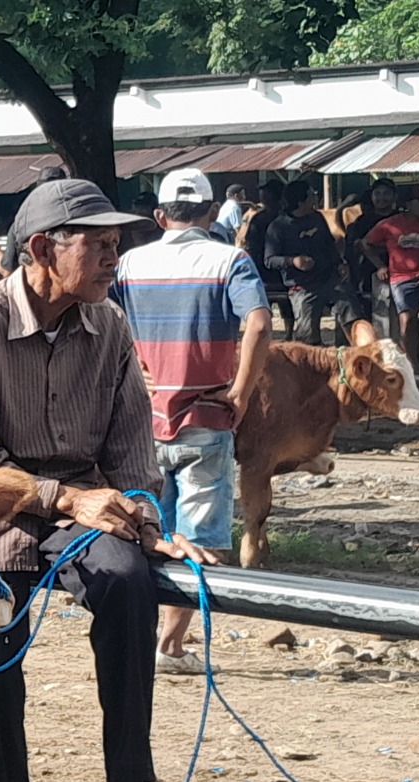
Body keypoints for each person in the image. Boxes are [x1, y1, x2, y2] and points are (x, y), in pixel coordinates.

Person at [0, 179, 214, 782]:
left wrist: (149, 524)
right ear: (42, 249)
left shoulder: (109, 325)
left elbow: (130, 448)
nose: (114, 258)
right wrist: (65, 496)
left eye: (117, 244)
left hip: (83, 510)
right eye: (99, 245)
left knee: (129, 579)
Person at [110, 168, 271, 672]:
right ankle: (171, 645)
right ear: (211, 213)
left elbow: (102, 318)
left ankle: (136, 637)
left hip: (141, 421)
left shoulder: (129, 263)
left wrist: (129, 367)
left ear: (160, 216)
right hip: (206, 418)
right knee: (199, 541)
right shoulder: (230, 260)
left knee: (144, 532)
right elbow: (259, 323)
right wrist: (241, 391)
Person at [265, 179, 373, 346]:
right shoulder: (278, 227)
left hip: (330, 279)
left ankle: (358, 351)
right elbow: (269, 260)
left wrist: (340, 263)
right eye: (311, 195)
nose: (316, 198)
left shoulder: (317, 218)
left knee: (353, 316)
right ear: (300, 202)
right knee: (307, 335)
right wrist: (293, 261)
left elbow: (330, 245)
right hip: (302, 287)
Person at [361, 185, 419, 370]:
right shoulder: (389, 224)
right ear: (408, 204)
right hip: (402, 278)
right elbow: (365, 244)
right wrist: (380, 265)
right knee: (407, 320)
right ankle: (412, 364)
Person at [342, 179, 399, 332]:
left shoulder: (401, 219)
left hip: (399, 270)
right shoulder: (362, 222)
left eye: (386, 193)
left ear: (394, 196)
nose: (381, 198)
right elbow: (357, 246)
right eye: (377, 194)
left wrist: (376, 246)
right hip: (367, 271)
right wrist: (379, 261)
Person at [239, 179, 291, 337]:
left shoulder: (260, 218)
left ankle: (275, 332)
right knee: (281, 305)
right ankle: (287, 331)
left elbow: (250, 244)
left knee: (267, 304)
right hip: (281, 269)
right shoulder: (288, 217)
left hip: (266, 269)